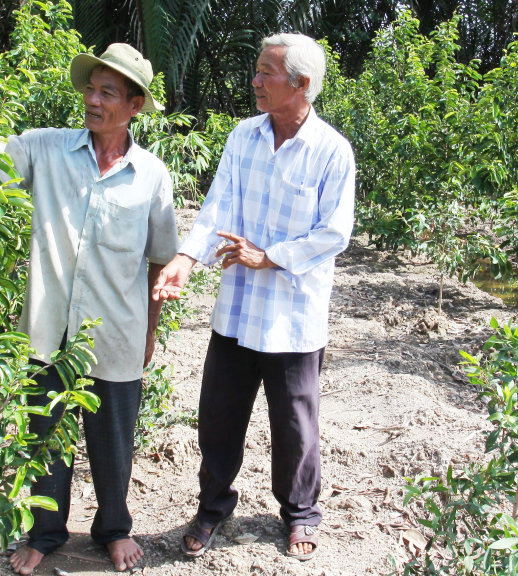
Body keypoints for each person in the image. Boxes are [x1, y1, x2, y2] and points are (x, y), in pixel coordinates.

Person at [0, 43, 178, 574]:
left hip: (117, 332)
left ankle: (114, 529)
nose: (92, 99)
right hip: (48, 330)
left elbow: (160, 260)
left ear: (134, 106)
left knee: (113, 443)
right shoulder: (44, 150)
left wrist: (150, 331)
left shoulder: (152, 177)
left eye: (107, 92)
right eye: (90, 88)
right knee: (43, 439)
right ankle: (46, 532)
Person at [152, 33, 355, 562]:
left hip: (293, 318)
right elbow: (217, 207)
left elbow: (335, 232)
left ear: (301, 85)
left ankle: (300, 513)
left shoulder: (332, 151)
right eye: (257, 70)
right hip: (238, 311)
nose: (256, 81)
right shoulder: (243, 137)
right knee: (219, 418)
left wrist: (271, 256)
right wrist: (185, 259)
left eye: (267, 72)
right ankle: (212, 508)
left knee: (295, 424)